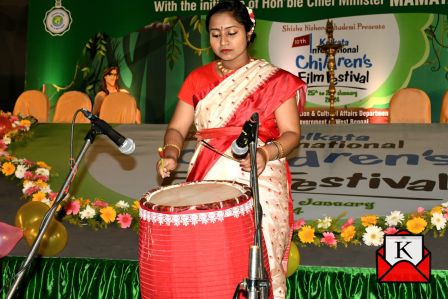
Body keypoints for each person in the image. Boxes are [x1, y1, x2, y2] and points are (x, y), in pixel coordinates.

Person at [156, 0, 306, 297]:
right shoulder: (197, 79)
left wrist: (265, 154)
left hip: (259, 171)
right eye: (215, 34)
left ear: (249, 32)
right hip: (207, 171)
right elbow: (177, 128)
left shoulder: (277, 81)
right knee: (210, 256)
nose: (223, 42)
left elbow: (291, 134)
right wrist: (172, 152)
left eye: (231, 33)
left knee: (260, 254)